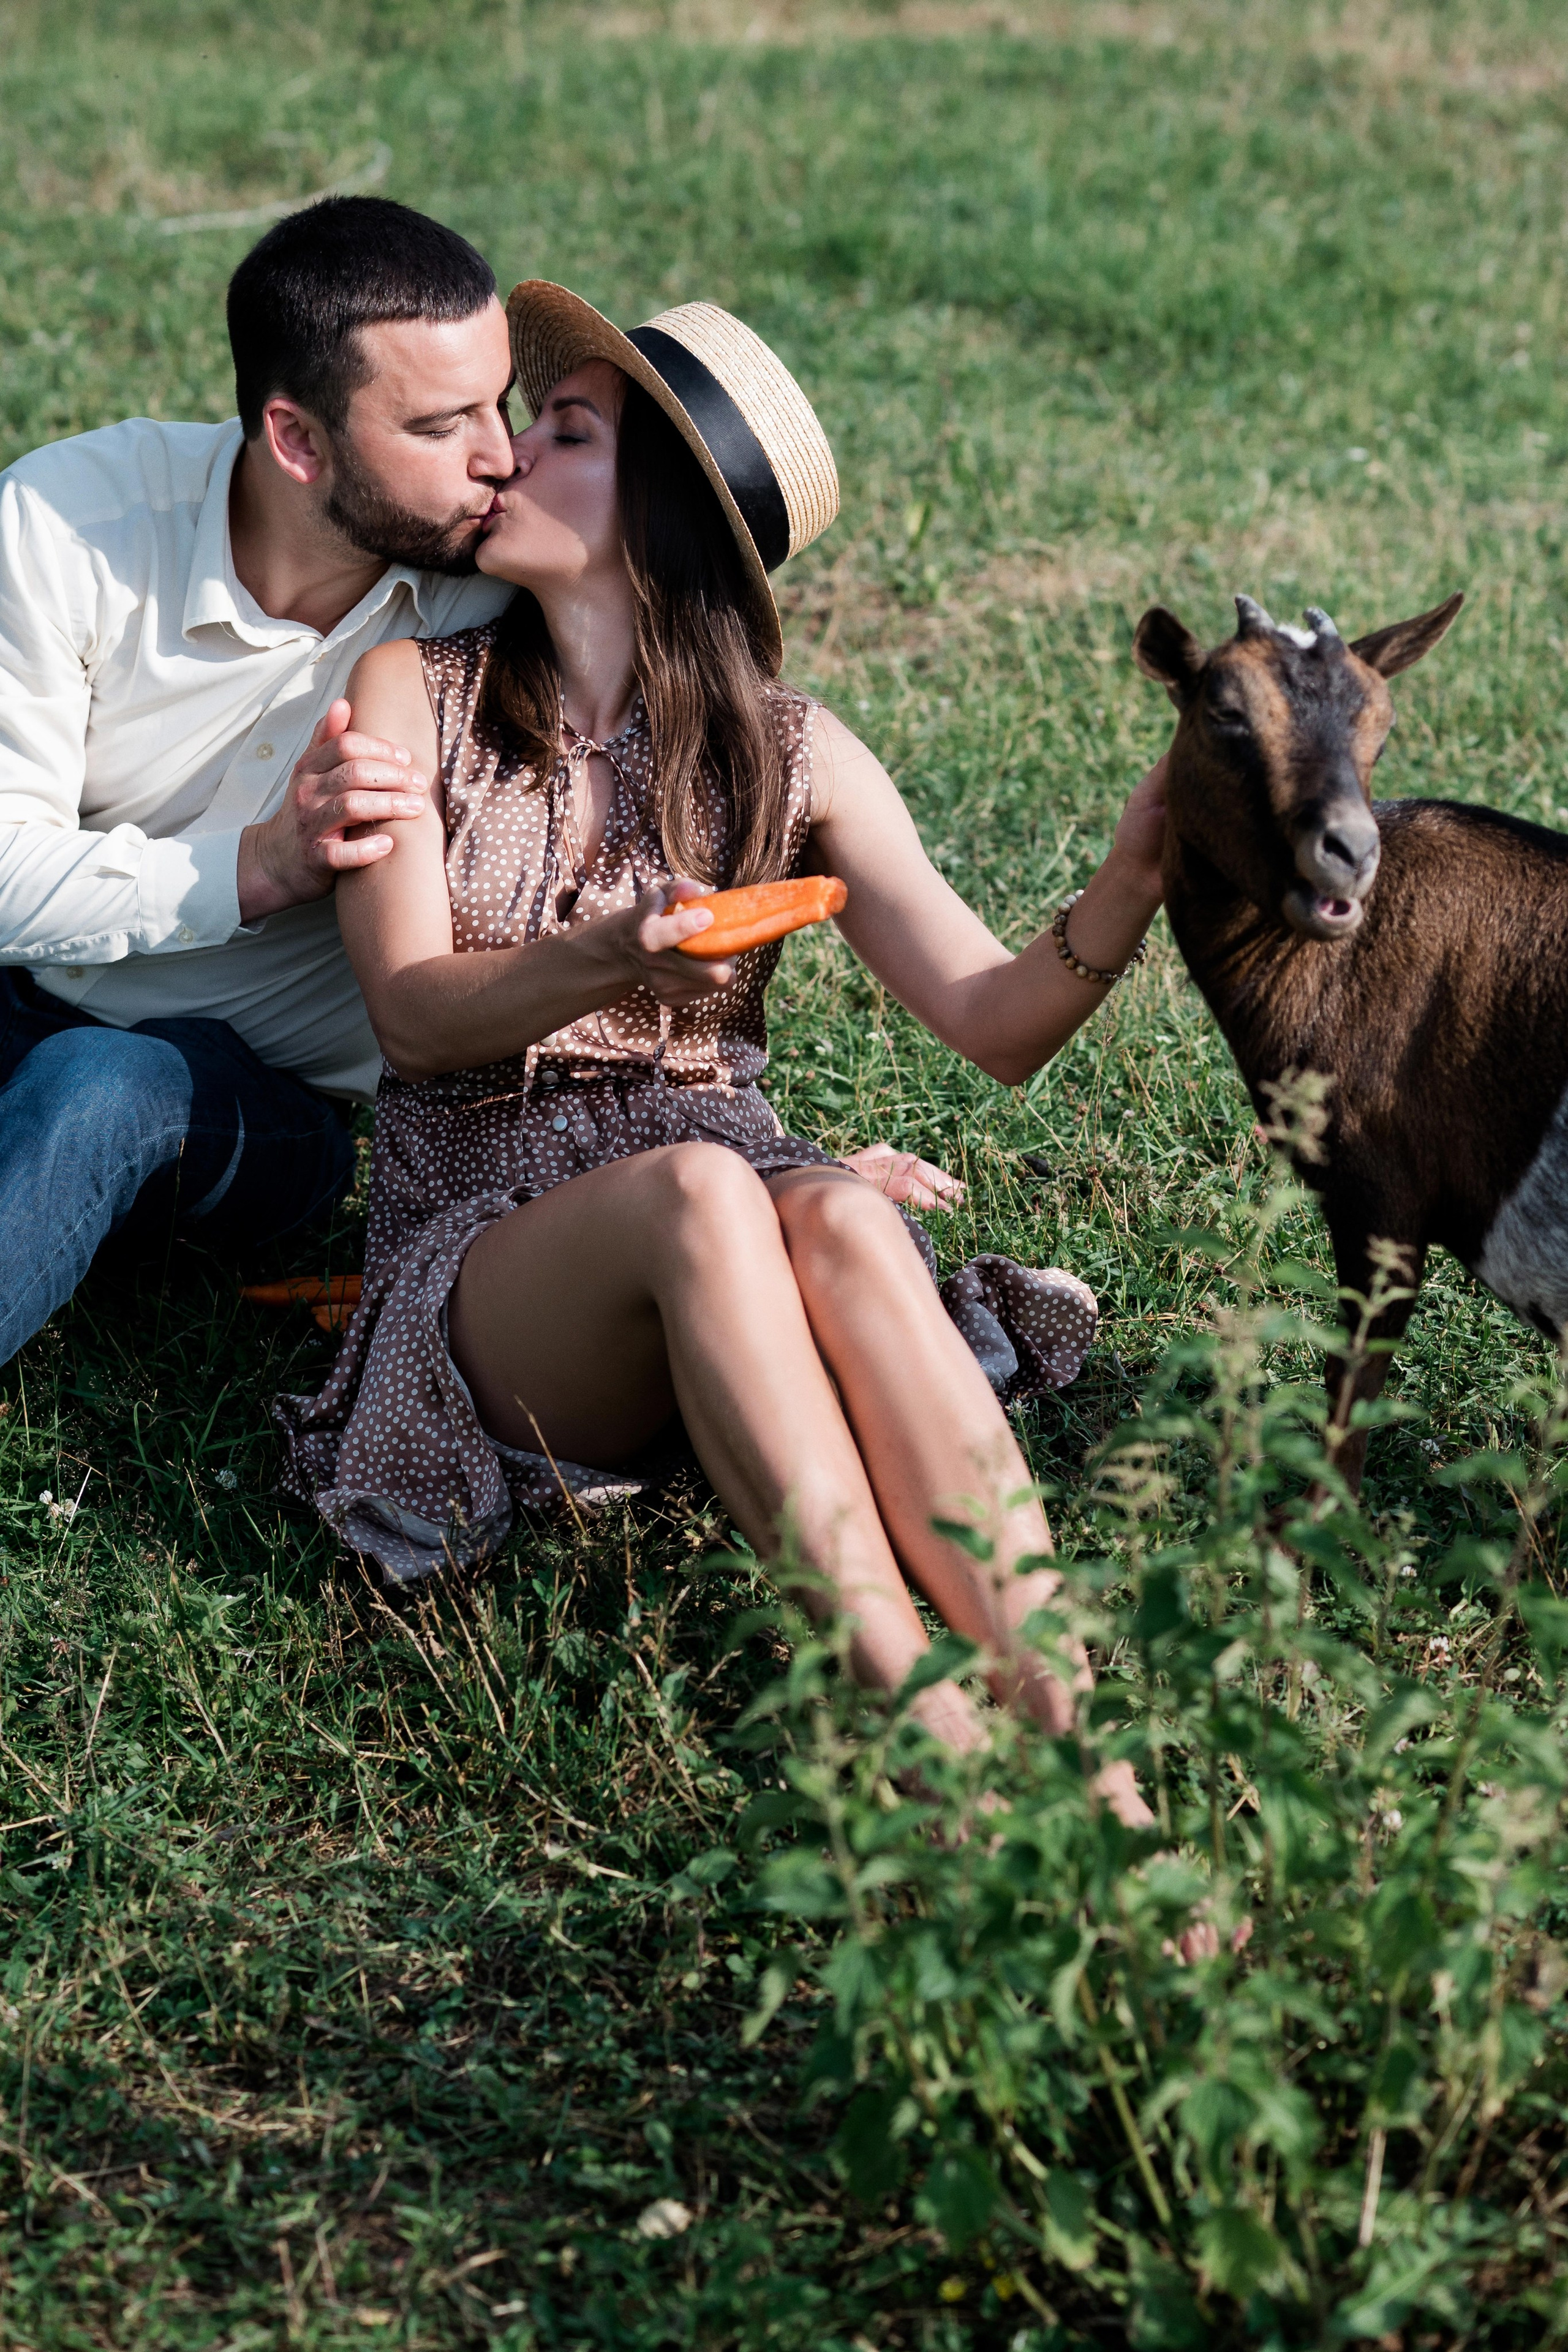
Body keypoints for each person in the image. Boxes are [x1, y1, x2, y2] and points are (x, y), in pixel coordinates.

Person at [277, 284, 1167, 1790]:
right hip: (492, 1258)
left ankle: (1096, 1770)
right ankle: (939, 1755)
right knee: (709, 1192)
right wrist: (594, 958)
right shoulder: (410, 699)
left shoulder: (790, 749)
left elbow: (995, 1020)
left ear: (666, 516)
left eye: (559, 432)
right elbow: (414, 1023)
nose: (499, 457)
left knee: (827, 1214)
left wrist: (1136, 873)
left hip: (730, 1213)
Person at [0, 195, 519, 1359]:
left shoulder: (497, 592)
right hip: (13, 995)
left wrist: (771, 1166)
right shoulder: (71, 521)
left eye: (505, 401)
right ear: (297, 441)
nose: (501, 458)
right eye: (442, 426)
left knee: (97, 1089)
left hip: (245, 1109)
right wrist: (258, 866)